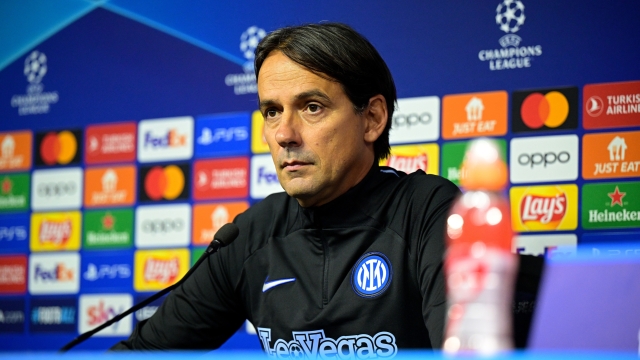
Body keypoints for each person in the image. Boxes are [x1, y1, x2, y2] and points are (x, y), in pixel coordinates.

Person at [112, 22, 460, 354]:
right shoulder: (251, 234)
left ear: (371, 119)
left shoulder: (428, 211)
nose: (284, 134)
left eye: (311, 107)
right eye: (272, 111)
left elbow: (470, 349)